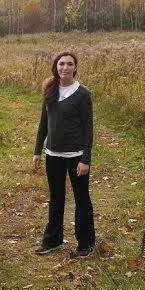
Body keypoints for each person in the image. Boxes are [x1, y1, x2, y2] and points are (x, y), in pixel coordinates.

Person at [32, 51, 95, 258]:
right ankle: (52, 240)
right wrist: (37, 151)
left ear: (75, 68)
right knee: (56, 198)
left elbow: (88, 128)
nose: (65, 68)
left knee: (81, 199)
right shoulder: (50, 90)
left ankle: (85, 244)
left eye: (69, 64)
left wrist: (85, 159)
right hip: (53, 155)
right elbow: (44, 123)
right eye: (61, 64)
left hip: (76, 156)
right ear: (56, 66)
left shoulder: (82, 94)